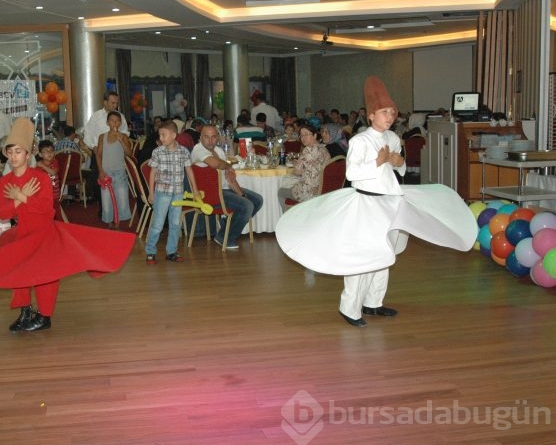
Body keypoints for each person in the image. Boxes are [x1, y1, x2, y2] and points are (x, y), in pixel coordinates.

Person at [275, 76, 477, 328]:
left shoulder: (392, 138)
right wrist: (379, 161)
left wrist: (396, 162)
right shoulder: (360, 141)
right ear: (371, 115)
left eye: (392, 112)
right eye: (384, 112)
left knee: (385, 254)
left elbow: (400, 166)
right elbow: (352, 174)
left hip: (390, 203)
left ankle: (373, 302)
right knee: (361, 256)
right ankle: (349, 307)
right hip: (365, 204)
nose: (390, 116)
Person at [0, 118, 135, 332]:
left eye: (18, 152)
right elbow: (1, 212)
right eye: (10, 152)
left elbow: (47, 209)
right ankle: (25, 310)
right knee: (14, 261)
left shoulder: (40, 178)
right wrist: (19, 198)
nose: (13, 156)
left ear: (28, 154)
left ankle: (44, 316)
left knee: (46, 268)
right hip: (23, 233)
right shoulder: (2, 182)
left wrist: (22, 197)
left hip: (44, 231)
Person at [191, 124, 264, 250]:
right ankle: (224, 236)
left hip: (224, 190)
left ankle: (227, 226)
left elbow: (230, 179)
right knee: (247, 205)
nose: (210, 140)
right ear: (201, 137)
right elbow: (214, 163)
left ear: (218, 138)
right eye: (206, 137)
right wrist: (229, 166)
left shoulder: (219, 151)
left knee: (257, 200)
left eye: (213, 137)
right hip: (208, 195)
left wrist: (242, 194)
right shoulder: (198, 149)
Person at [145, 120, 201, 264]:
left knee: (175, 224)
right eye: (160, 135)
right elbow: (152, 173)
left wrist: (195, 190)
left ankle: (172, 252)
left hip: (178, 192)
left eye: (164, 135)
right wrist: (151, 193)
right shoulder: (157, 151)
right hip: (162, 192)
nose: (161, 138)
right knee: (158, 224)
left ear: (174, 135)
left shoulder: (183, 151)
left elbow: (189, 171)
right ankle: (150, 252)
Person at [277, 124, 331, 210]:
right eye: (301, 135)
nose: (303, 138)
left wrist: (298, 166)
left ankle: (288, 217)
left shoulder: (308, 149)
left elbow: (297, 172)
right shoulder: (324, 149)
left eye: (306, 134)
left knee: (279, 191)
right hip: (321, 189)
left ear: (315, 135)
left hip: (307, 192)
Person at [96, 111, 132, 228]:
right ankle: (109, 221)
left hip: (120, 173)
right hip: (106, 173)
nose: (114, 123)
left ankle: (118, 222)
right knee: (106, 201)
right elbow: (98, 155)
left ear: (120, 123)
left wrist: (121, 140)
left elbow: (129, 153)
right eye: (112, 120)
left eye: (117, 120)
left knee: (122, 200)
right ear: (107, 122)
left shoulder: (124, 136)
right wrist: (101, 171)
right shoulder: (102, 137)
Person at [35, 139, 63, 221]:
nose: (49, 153)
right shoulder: (38, 166)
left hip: (54, 194)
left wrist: (43, 166)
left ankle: (60, 226)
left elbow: (53, 172)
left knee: (57, 212)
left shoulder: (54, 162)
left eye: (51, 150)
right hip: (43, 195)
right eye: (46, 151)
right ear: (40, 154)